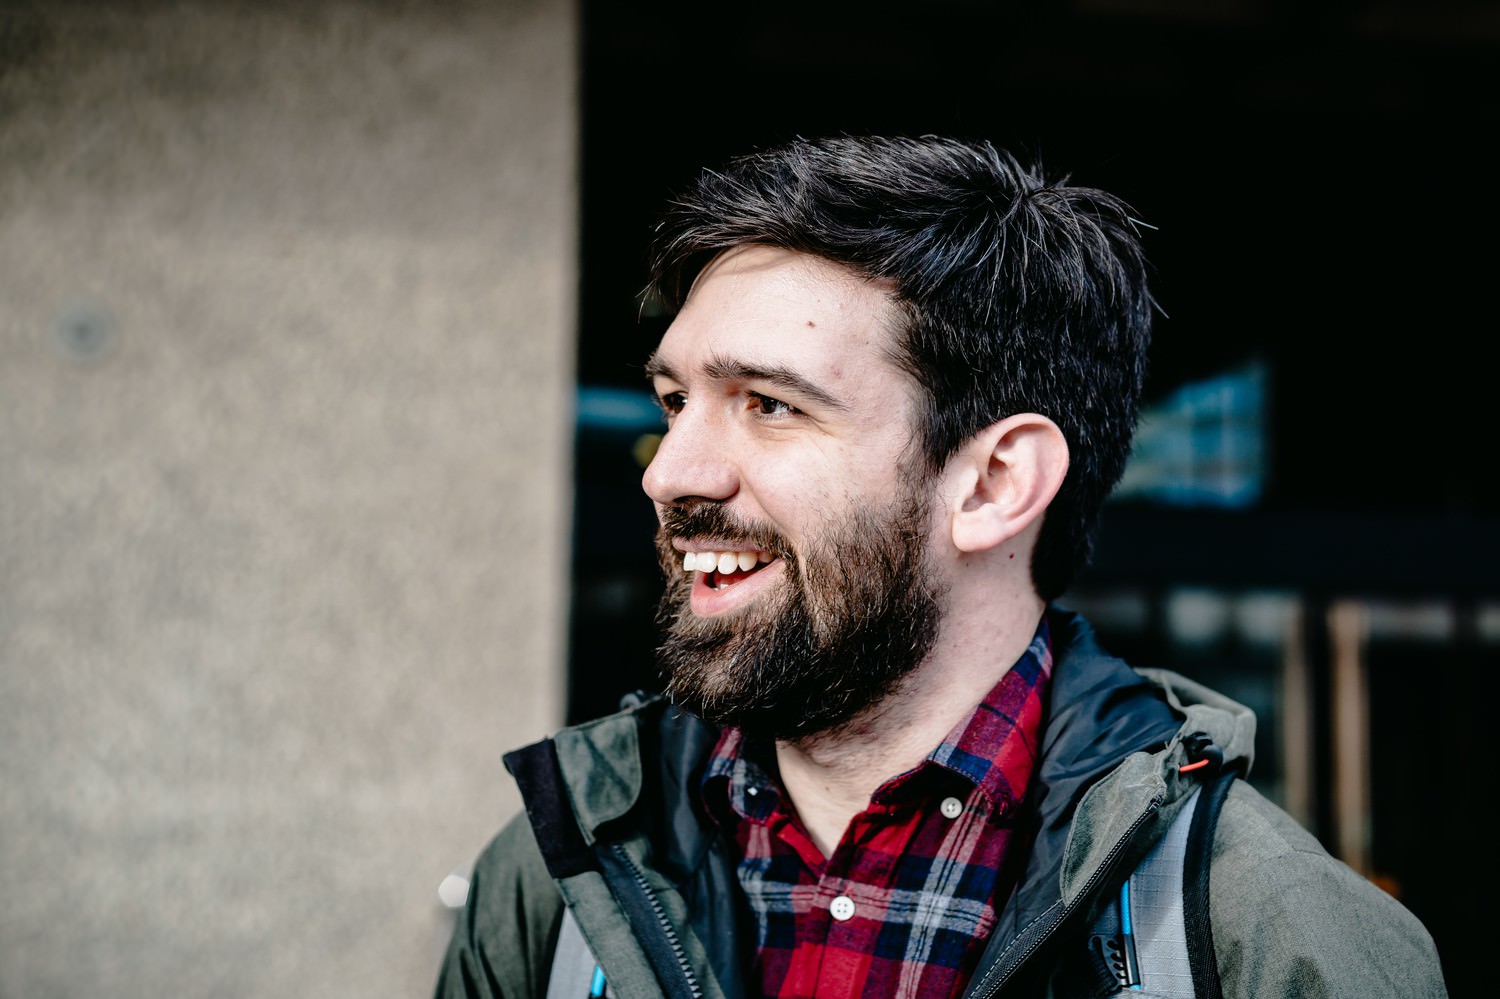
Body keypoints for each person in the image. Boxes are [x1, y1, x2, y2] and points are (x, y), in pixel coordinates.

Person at [434, 134, 1447, 998]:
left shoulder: (1263, 934)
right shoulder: (560, 881)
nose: (670, 475)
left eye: (769, 404)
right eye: (674, 401)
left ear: (995, 483)